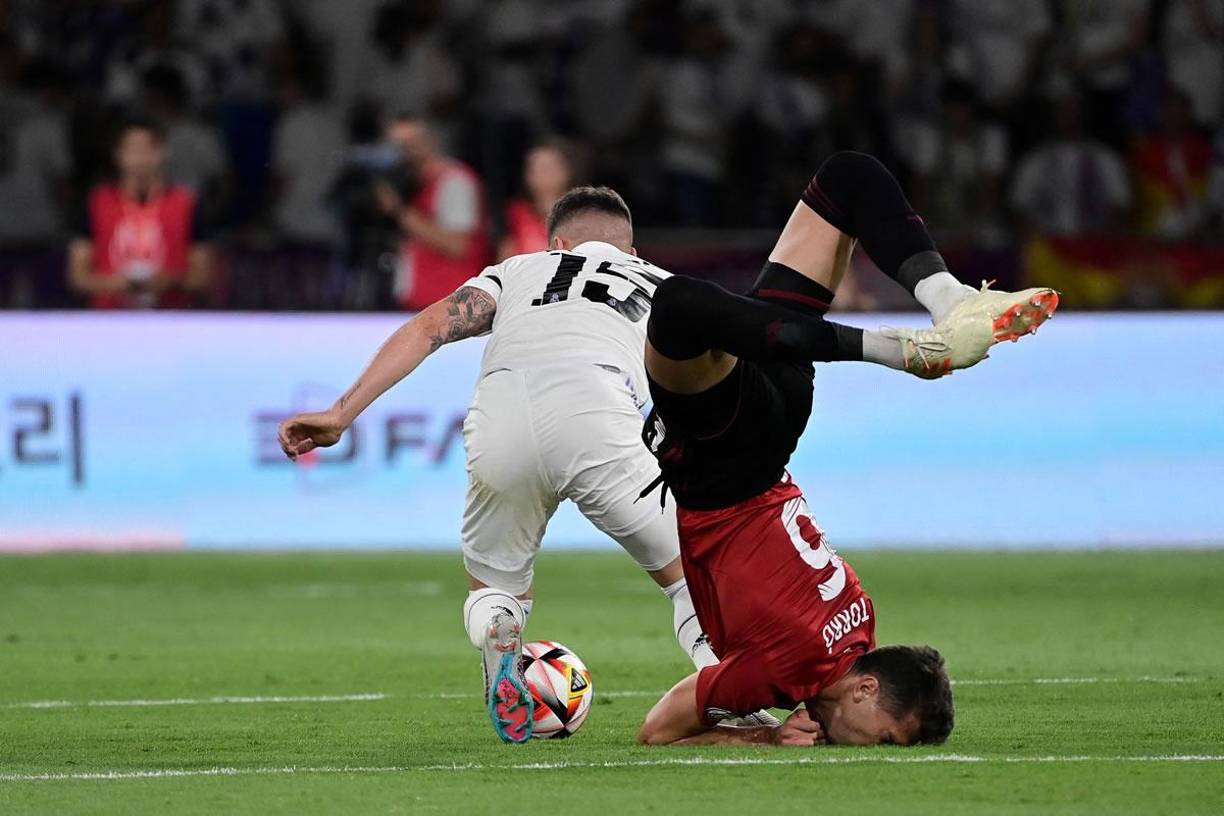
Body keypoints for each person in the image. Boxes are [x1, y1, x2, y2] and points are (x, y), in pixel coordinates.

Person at [276, 187, 776, 744]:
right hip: (600, 415)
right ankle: (735, 703)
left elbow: (429, 328)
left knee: (493, 587)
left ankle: (499, 629)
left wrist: (341, 414)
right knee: (690, 578)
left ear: (557, 243)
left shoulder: (518, 270)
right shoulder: (660, 284)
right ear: (631, 251)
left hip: (501, 418)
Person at [636, 151, 1059, 746]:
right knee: (679, 308)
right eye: (885, 737)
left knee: (848, 181)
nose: (872, 748)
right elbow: (656, 732)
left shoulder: (862, 628)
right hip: (720, 457)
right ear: (865, 691)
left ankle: (949, 298)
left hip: (778, 420)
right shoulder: (781, 676)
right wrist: (761, 739)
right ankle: (898, 349)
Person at [68, 117, 214, 309]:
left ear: (162, 151)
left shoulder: (186, 204)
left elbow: (202, 276)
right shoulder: (96, 203)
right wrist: (117, 284)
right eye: (132, 150)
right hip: (108, 322)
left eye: (147, 150)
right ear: (118, 154)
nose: (140, 159)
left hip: (171, 320)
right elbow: (77, 276)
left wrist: (170, 281)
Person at [375, 114, 490, 311]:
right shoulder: (415, 185)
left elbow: (458, 245)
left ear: (430, 141)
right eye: (397, 146)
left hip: (449, 306)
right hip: (422, 303)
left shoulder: (454, 182)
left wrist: (399, 211)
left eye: (410, 143)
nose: (404, 152)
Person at [497, 143, 575, 260]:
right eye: (536, 168)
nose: (544, 174)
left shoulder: (582, 213)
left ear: (566, 171)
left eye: (549, 167)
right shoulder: (515, 214)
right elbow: (504, 262)